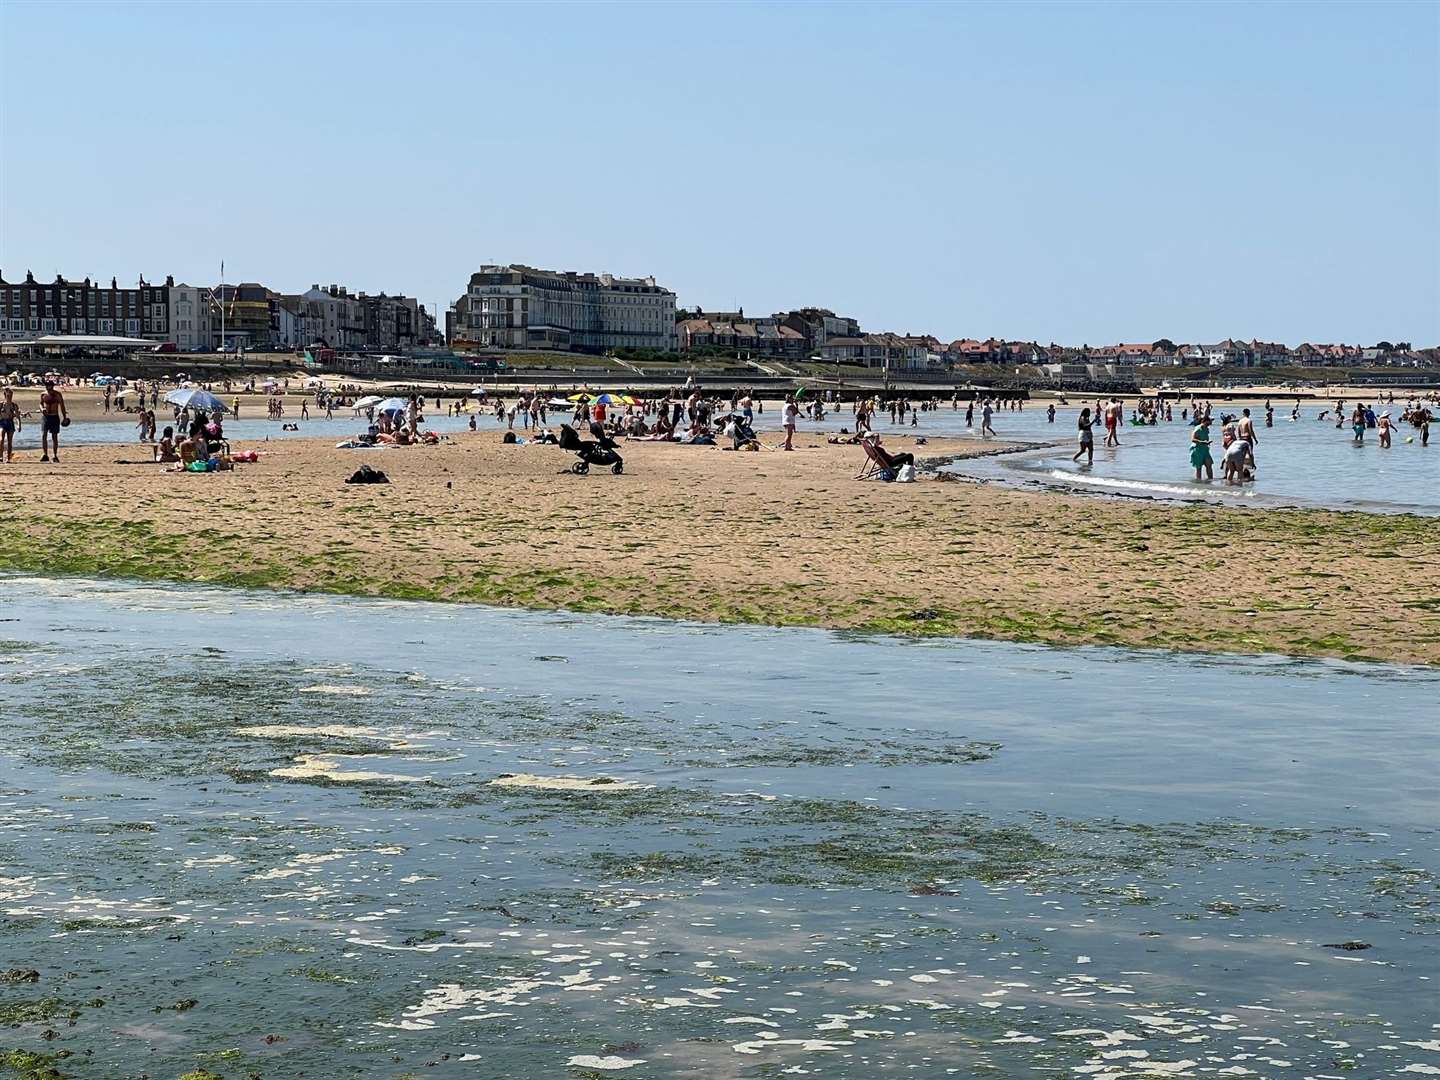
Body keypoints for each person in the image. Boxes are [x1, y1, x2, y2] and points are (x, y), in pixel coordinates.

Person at [39, 379, 67, 462]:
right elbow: (40, 403)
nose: (48, 387)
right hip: (46, 417)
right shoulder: (43, 394)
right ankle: (45, 454)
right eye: (47, 385)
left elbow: (62, 406)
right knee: (44, 435)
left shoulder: (57, 394)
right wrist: (42, 409)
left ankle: (55, 455)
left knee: (54, 436)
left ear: (52, 386)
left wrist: (64, 417)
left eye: (49, 385)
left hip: (54, 417)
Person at [0, 387, 19, 463]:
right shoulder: (1, 404)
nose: (10, 397)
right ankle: (0, 456)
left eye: (11, 395)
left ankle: (8, 458)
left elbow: (17, 416)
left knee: (9, 441)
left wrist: (19, 425)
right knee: (1, 440)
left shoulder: (14, 405)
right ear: (5, 395)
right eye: (8, 395)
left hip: (10, 423)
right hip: (2, 422)